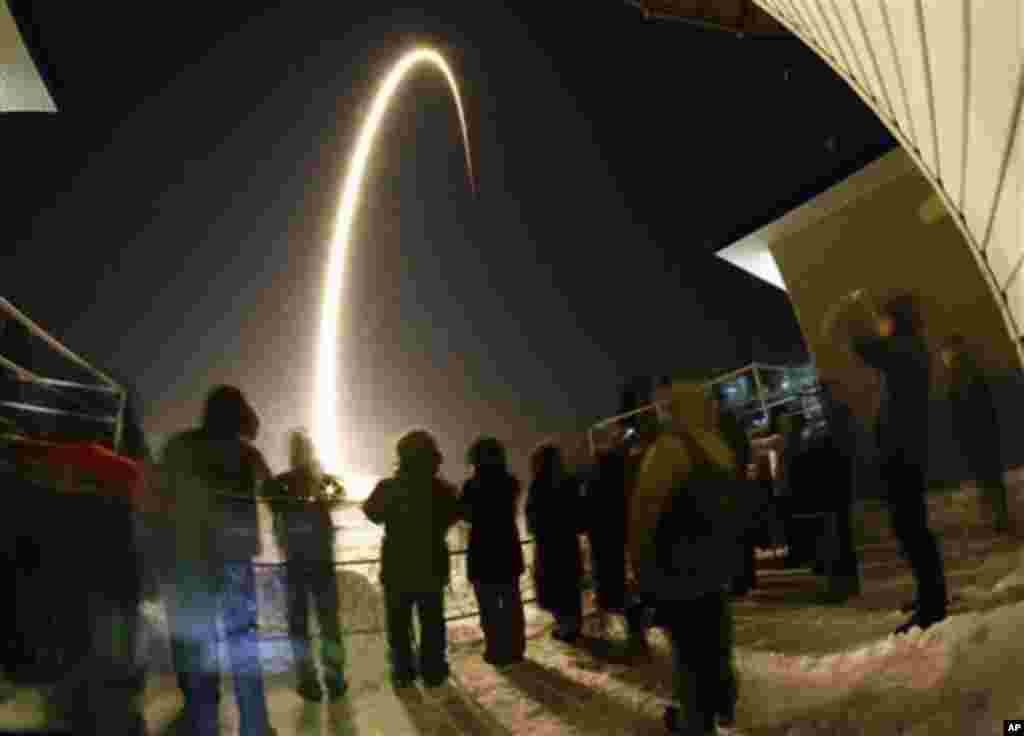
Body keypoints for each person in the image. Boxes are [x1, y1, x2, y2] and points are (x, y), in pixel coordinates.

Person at [825, 290, 948, 634]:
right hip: (903, 451)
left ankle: (933, 604)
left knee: (911, 529)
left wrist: (851, 312)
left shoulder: (906, 348)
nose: (879, 324)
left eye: (883, 317)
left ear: (894, 320)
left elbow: (866, 347)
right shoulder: (909, 348)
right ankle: (929, 594)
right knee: (911, 527)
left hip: (903, 453)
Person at [630, 383, 747, 735]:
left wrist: (642, 573)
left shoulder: (670, 451)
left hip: (678, 572)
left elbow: (643, 518)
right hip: (715, 566)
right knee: (716, 643)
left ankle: (698, 723)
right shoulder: (719, 447)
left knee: (690, 655)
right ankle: (722, 705)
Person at [162, 385, 275, 736]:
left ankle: (203, 724)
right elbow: (273, 492)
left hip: (191, 559)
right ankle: (255, 726)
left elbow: (163, 496)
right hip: (234, 561)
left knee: (198, 648)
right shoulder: (247, 454)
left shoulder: (180, 447)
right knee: (243, 646)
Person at [363, 430, 460, 688]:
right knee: (432, 620)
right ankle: (434, 670)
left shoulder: (388, 487)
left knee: (398, 622)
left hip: (397, 564)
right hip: (432, 563)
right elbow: (453, 515)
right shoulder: (443, 489)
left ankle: (403, 671)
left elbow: (372, 513)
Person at [264, 430, 348, 701]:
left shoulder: (281, 483)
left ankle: (307, 680)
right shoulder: (320, 482)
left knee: (299, 625)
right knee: (328, 622)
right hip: (321, 560)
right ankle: (334, 679)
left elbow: (269, 498)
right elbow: (340, 495)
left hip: (295, 562)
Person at [460, 436, 526, 667]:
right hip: (507, 550)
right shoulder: (511, 483)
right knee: (511, 604)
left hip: (482, 553)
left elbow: (466, 515)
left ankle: (495, 650)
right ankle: (516, 648)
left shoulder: (471, 486)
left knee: (488, 607)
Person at [940, 334, 1011, 533]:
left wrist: (961, 435)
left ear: (951, 351)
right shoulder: (970, 370)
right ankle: (998, 517)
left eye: (944, 353)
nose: (942, 358)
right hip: (985, 432)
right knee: (991, 477)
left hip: (975, 434)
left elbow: (961, 408)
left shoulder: (958, 374)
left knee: (987, 477)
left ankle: (998, 518)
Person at [586, 431, 649, 653]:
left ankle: (633, 633)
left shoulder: (596, 485)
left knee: (613, 592)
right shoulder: (623, 482)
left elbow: (589, 515)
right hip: (624, 540)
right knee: (624, 588)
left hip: (606, 544)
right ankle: (636, 632)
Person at [526, 444, 584, 643]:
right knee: (569, 586)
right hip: (567, 544)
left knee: (554, 587)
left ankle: (565, 626)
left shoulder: (537, 486)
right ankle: (573, 625)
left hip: (548, 547)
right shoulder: (570, 483)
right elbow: (580, 516)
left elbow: (532, 522)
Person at [818, 382, 862, 601]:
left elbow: (840, 451)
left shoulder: (836, 419)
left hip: (839, 487)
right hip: (843, 485)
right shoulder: (843, 416)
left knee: (841, 537)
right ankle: (848, 583)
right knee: (843, 536)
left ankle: (846, 584)